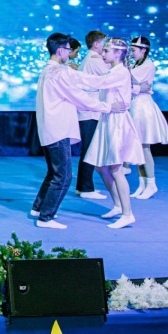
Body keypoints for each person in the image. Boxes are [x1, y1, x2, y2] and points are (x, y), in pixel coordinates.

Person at [32, 33, 128, 229]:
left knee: (54, 172)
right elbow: (79, 97)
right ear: (61, 50)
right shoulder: (58, 73)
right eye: (69, 50)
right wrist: (107, 107)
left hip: (52, 127)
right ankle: (45, 217)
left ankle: (38, 208)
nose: (70, 53)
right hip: (57, 128)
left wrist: (107, 79)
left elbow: (84, 79)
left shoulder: (53, 70)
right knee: (63, 176)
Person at [84, 38, 146, 229]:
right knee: (100, 166)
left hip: (117, 123)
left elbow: (98, 82)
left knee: (116, 168)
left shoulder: (120, 72)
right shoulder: (112, 71)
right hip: (107, 120)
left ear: (118, 53)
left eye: (106, 51)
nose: (102, 54)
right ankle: (118, 205)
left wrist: (71, 75)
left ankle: (128, 213)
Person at [128, 36, 168, 199]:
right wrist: (137, 87)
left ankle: (151, 183)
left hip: (143, 107)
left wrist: (135, 85)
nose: (131, 53)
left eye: (134, 50)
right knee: (138, 148)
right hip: (135, 105)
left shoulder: (147, 65)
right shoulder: (136, 64)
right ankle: (142, 183)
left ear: (143, 50)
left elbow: (128, 80)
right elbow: (132, 85)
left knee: (144, 147)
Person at [74, 30, 109, 200]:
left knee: (88, 149)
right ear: (96, 44)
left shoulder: (91, 59)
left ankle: (83, 186)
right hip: (90, 111)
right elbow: (111, 78)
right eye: (104, 44)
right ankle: (86, 188)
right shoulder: (95, 60)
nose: (107, 48)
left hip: (89, 110)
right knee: (89, 150)